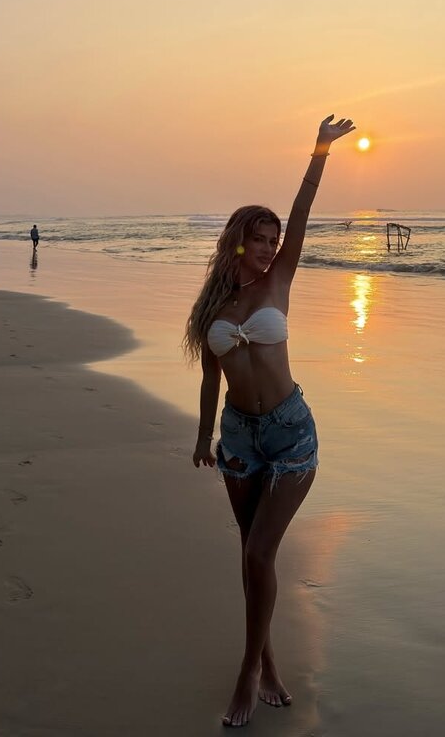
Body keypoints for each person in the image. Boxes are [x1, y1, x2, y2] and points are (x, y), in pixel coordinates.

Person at [183, 113, 355, 728]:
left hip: (289, 433)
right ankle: (270, 666)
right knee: (252, 556)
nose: (267, 247)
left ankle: (248, 672)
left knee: (259, 553)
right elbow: (211, 377)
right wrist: (203, 437)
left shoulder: (280, 280)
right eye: (258, 238)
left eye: (272, 239)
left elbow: (303, 210)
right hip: (238, 438)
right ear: (237, 241)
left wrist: (320, 151)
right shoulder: (213, 304)